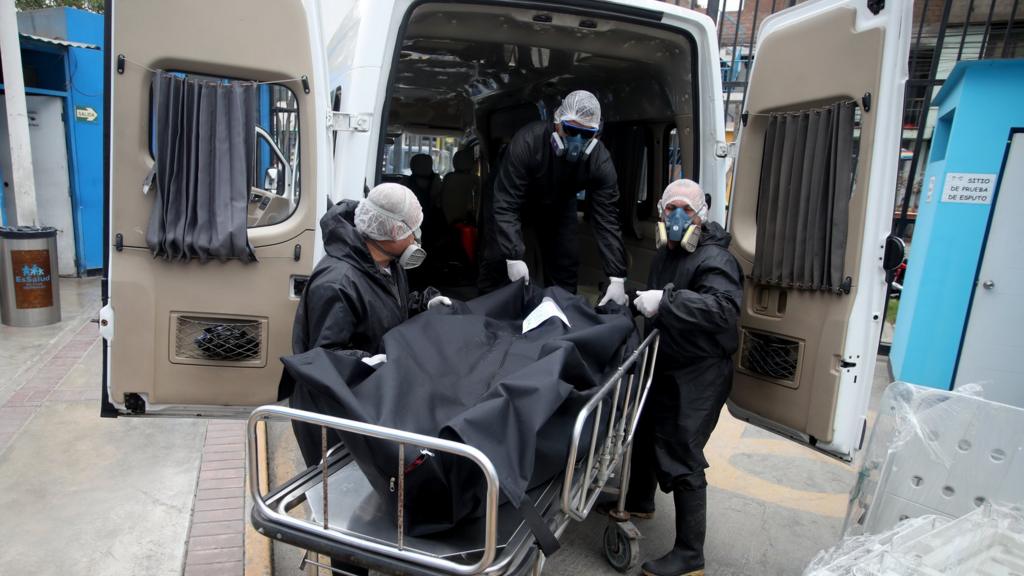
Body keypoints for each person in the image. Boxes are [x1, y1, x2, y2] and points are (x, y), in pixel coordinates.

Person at [280, 182, 450, 465]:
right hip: (334, 416)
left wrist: (425, 304)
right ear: (393, 231)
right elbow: (325, 356)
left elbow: (386, 308)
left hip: (368, 395)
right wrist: (371, 361)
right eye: (412, 230)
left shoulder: (386, 264)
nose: (416, 238)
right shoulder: (338, 282)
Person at [627, 179, 743, 576]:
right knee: (643, 429)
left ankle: (690, 554)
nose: (676, 218)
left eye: (685, 211)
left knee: (681, 449)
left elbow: (724, 309)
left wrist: (667, 300)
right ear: (660, 213)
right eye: (670, 210)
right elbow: (655, 301)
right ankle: (639, 501)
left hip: (702, 369)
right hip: (669, 359)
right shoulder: (667, 254)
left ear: (700, 215)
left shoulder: (716, 260)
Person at [479, 90, 628, 306]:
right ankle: (486, 310)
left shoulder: (600, 162)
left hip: (559, 201)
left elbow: (607, 219)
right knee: (496, 256)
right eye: (571, 130)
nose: (578, 140)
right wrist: (513, 255)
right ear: (558, 123)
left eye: (586, 134)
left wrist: (617, 277)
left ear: (596, 135)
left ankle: (560, 316)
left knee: (565, 260)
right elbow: (507, 204)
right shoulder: (528, 142)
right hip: (511, 195)